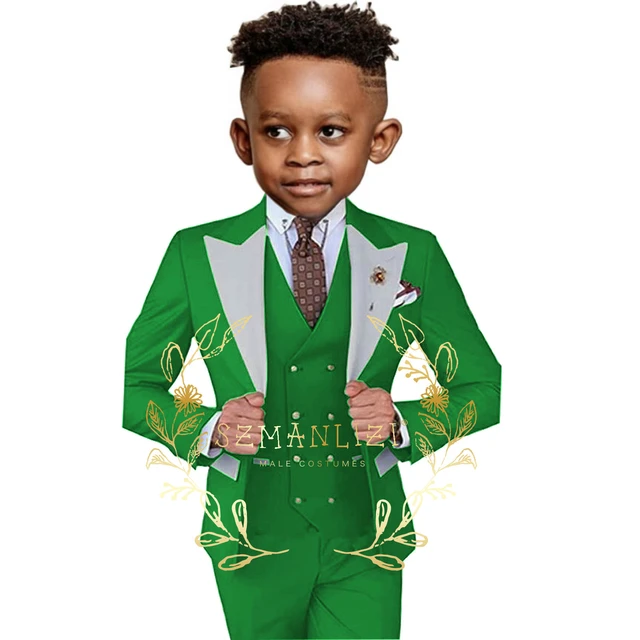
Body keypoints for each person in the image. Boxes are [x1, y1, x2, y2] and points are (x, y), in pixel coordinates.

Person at [122, 2, 501, 638]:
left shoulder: (413, 253)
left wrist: (403, 422)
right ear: (243, 139)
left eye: (330, 131)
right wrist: (209, 427)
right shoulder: (195, 254)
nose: (303, 155)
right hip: (249, 536)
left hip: (367, 536)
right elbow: (132, 386)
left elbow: (485, 385)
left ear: (379, 140)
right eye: (276, 131)